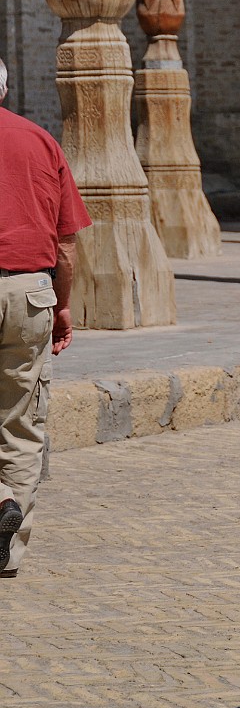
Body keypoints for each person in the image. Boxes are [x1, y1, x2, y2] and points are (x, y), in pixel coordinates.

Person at [0, 56, 92, 579]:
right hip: (32, 291)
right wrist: (62, 307)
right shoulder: (41, 143)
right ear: (6, 89)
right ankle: (7, 553)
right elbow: (66, 244)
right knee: (21, 424)